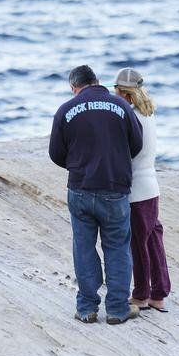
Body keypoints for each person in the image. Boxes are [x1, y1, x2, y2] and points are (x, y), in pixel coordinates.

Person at [49, 65, 143, 325]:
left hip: (80, 189)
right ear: (97, 82)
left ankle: (87, 308)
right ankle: (116, 308)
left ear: (74, 88)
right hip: (114, 188)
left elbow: (56, 153)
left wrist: (78, 165)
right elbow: (137, 143)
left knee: (84, 248)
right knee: (117, 247)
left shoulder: (66, 110)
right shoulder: (121, 107)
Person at [113, 67, 171, 312]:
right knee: (153, 241)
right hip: (151, 186)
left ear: (125, 94)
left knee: (138, 243)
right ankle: (159, 294)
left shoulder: (130, 117)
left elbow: (126, 153)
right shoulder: (148, 113)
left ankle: (141, 295)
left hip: (136, 189)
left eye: (116, 92)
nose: (114, 96)